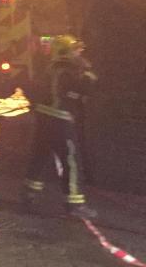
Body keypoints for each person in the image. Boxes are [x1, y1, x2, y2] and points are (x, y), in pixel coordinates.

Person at [22, 34, 97, 219]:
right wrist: (88, 73)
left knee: (38, 158)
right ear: (66, 51)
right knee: (71, 162)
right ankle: (74, 204)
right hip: (61, 122)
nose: (79, 52)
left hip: (43, 120)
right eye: (76, 49)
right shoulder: (69, 70)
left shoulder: (48, 68)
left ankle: (28, 195)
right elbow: (85, 87)